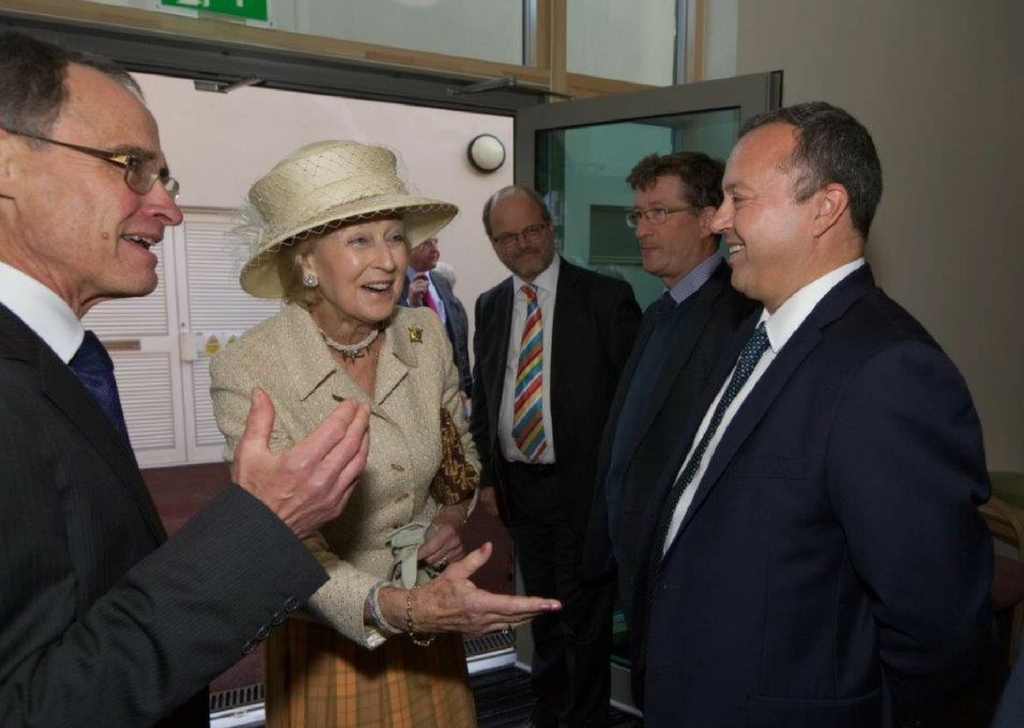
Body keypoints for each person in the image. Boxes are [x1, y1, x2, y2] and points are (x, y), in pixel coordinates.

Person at [0, 32, 370, 728]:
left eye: (164, 179)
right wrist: (266, 525)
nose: (166, 208)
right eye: (131, 167)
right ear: (7, 163)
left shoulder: (58, 362)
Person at [630, 102, 993, 727]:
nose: (716, 221)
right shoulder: (756, 333)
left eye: (737, 199)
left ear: (825, 207)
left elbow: (936, 630)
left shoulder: (890, 372)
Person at [210, 141, 560, 728]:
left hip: (431, 627)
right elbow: (281, 541)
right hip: (332, 641)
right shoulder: (250, 368)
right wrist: (403, 607)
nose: (388, 260)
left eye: (394, 236)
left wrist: (448, 521)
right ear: (306, 263)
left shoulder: (423, 336)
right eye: (359, 240)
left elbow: (460, 456)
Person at [470, 184, 641, 728]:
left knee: (584, 620)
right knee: (539, 611)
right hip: (521, 490)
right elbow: (487, 392)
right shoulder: (491, 305)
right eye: (508, 237)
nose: (523, 244)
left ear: (550, 227)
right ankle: (547, 712)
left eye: (532, 230)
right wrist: (487, 480)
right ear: (494, 245)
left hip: (585, 489)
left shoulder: (605, 300)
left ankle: (585, 720)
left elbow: (631, 410)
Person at [582, 152, 754, 621]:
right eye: (638, 215)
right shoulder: (658, 312)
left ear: (707, 220)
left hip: (687, 573)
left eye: (659, 213)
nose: (640, 230)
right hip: (637, 561)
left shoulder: (738, 316)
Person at [400, 235, 473, 399]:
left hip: (452, 390)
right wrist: (412, 308)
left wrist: (464, 385)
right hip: (417, 390)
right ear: (408, 248)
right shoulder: (394, 287)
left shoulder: (441, 281)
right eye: (426, 243)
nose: (435, 249)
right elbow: (410, 343)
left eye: (435, 241)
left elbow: (457, 337)